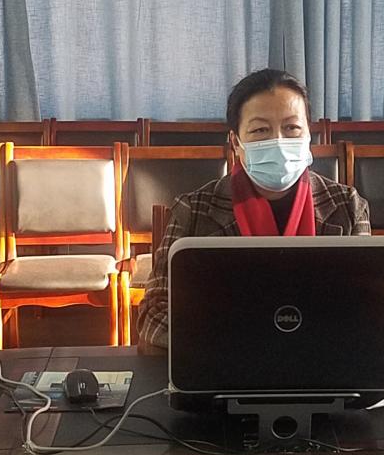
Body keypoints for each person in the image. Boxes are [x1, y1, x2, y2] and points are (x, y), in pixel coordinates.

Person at [137, 69, 371, 348]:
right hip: (225, 360)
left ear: (310, 134)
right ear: (236, 142)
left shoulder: (347, 206)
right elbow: (154, 312)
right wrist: (232, 346)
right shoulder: (193, 211)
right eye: (260, 130)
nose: (279, 142)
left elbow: (370, 305)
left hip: (322, 359)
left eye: (292, 128)